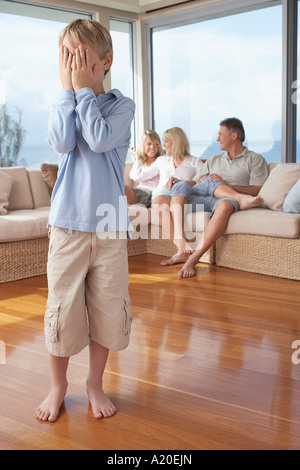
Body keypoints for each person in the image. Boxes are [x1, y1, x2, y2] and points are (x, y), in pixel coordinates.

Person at [36, 19, 135, 422]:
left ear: (105, 61)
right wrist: (70, 91)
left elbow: (96, 139)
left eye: (81, 56)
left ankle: (94, 382)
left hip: (109, 228)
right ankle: (58, 386)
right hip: (67, 226)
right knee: (62, 308)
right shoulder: (64, 102)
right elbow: (62, 141)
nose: (73, 63)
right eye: (67, 56)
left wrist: (80, 92)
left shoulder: (121, 106)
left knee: (108, 310)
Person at [161, 117, 269, 277]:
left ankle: (193, 259)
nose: (217, 138)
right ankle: (180, 244)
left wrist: (225, 185)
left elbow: (258, 189)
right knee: (183, 185)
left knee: (223, 201)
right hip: (203, 194)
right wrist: (179, 181)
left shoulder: (255, 159)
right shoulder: (214, 159)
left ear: (234, 136)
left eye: (220, 134)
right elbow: (197, 182)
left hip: (225, 199)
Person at [132, 127, 203, 253]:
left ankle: (180, 246)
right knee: (159, 201)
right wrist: (137, 158)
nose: (163, 145)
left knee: (174, 194)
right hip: (162, 194)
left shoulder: (195, 161)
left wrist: (182, 182)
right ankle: (178, 239)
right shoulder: (162, 160)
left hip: (183, 195)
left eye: (165, 141)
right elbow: (137, 176)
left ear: (175, 141)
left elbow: (202, 182)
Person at [125, 130, 163, 208]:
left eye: (156, 144)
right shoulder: (140, 164)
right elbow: (135, 181)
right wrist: (138, 158)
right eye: (149, 144)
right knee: (118, 186)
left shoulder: (161, 162)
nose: (153, 147)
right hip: (140, 191)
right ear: (143, 145)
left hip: (152, 194)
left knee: (121, 188)